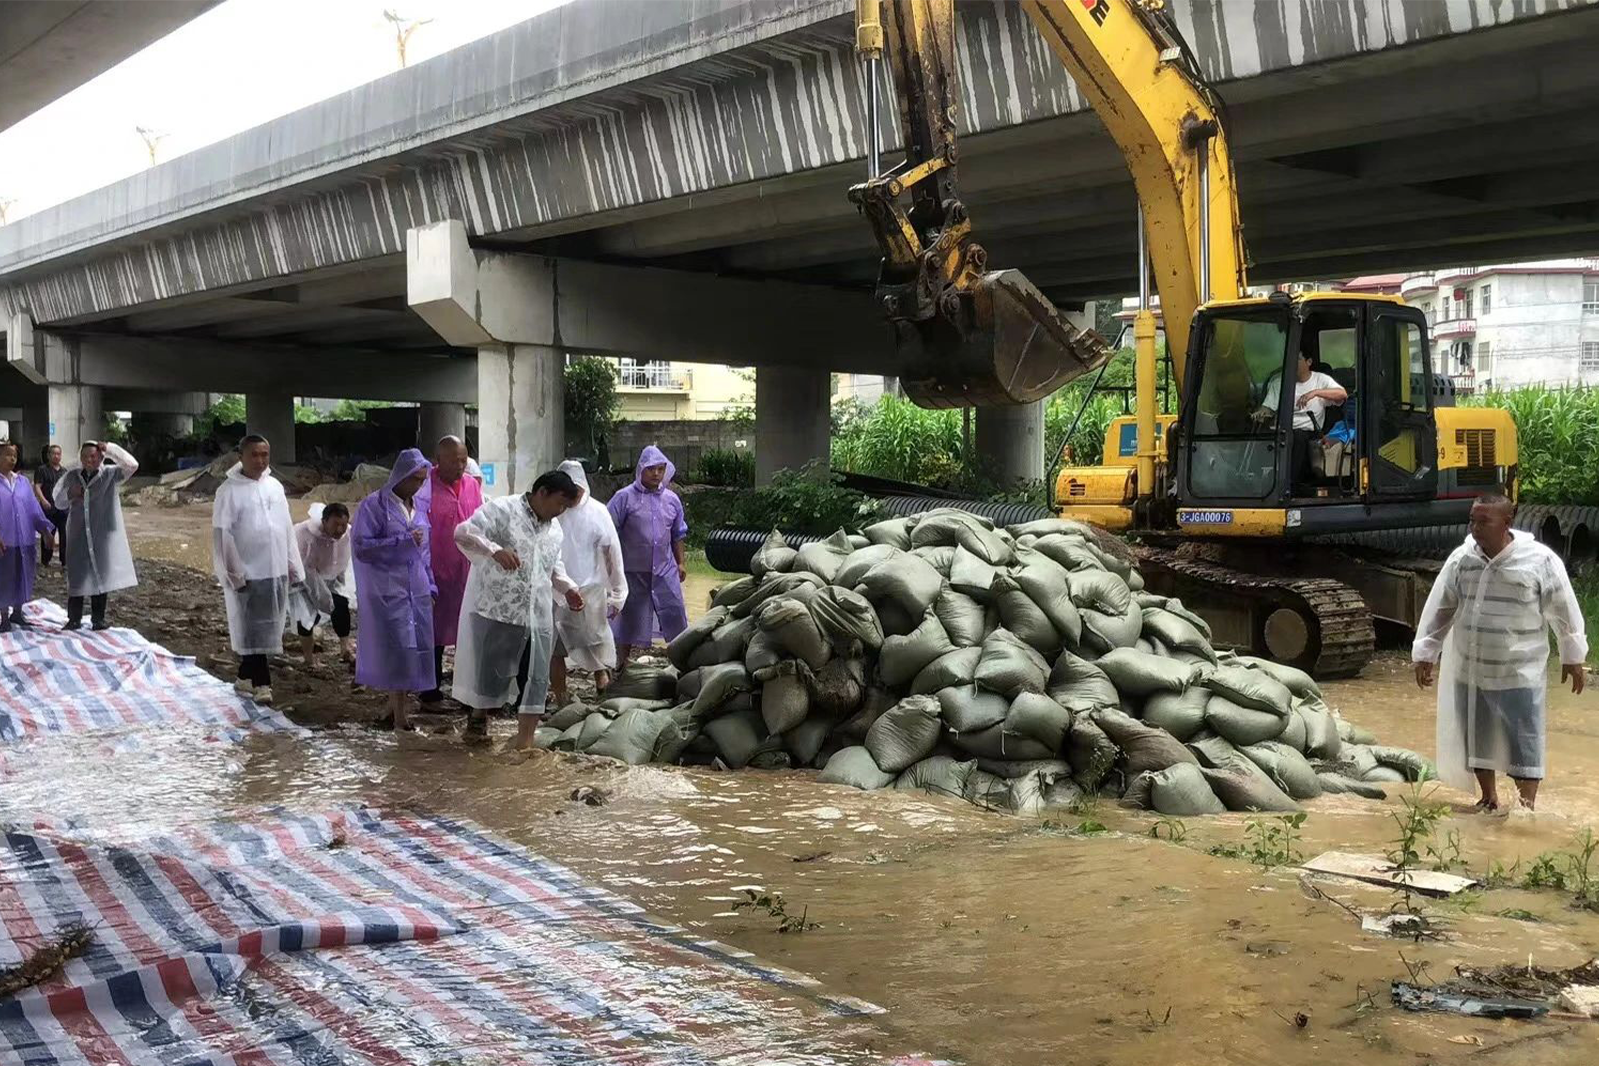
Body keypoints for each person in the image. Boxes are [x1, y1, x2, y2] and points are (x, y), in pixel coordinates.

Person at [1413, 492, 1587, 812]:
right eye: (1472, 520)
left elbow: (1563, 609)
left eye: (1484, 521)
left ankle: (1526, 807)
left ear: (1507, 522)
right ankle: (1489, 797)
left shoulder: (1539, 560)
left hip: (1519, 670)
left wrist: (1572, 655)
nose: (1475, 528)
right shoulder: (1462, 559)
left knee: (1524, 740)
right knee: (1477, 736)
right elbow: (1441, 607)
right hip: (1473, 668)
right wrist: (1426, 652)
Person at [452, 469, 584, 746]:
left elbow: (553, 566)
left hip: (536, 616)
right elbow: (463, 532)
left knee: (535, 678)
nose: (560, 511)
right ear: (542, 492)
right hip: (497, 610)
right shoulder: (502, 510)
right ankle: (478, 720)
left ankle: (524, 742)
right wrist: (493, 550)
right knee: (490, 674)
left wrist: (568, 588)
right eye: (559, 503)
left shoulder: (554, 529)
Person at [211, 435, 304, 704]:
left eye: (265, 454)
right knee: (252, 629)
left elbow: (285, 526)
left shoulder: (274, 486)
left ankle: (244, 677)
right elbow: (222, 535)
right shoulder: (228, 491)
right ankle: (263, 684)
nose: (261, 460)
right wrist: (232, 572)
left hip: (275, 567)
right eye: (255, 455)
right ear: (241, 456)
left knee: (267, 628)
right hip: (248, 570)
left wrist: (292, 562)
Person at [351, 448, 435, 730]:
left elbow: (425, 553)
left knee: (415, 649)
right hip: (389, 590)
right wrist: (402, 541)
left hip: (417, 590)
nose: (419, 485)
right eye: (415, 479)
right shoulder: (374, 506)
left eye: (423, 480)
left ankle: (393, 707)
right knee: (398, 650)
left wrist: (431, 585)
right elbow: (363, 547)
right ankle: (401, 717)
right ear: (401, 476)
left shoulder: (419, 508)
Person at [550, 459, 627, 701]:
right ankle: (561, 696)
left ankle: (602, 683)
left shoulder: (597, 512)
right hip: (554, 589)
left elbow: (612, 554)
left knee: (594, 640)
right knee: (555, 646)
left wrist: (617, 592)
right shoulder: (552, 510)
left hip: (589, 589)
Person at [608, 445, 689, 669]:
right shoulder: (623, 498)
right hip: (633, 572)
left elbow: (678, 533)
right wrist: (611, 566)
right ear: (641, 470)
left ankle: (681, 663)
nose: (656, 474)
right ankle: (621, 664)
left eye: (661, 469)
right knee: (630, 619)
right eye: (651, 469)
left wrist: (680, 563)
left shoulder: (672, 500)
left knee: (675, 616)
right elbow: (608, 531)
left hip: (665, 571)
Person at [54, 439, 139, 630]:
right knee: (77, 575)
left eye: (93, 456)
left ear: (100, 457)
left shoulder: (110, 474)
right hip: (77, 534)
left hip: (102, 534)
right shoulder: (72, 477)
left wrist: (110, 449)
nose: (88, 460)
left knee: (101, 575)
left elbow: (132, 465)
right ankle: (74, 619)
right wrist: (70, 493)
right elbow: (58, 501)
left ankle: (98, 619)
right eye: (84, 456)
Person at [422, 435, 482, 705]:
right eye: (454, 460)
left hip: (467, 571)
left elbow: (482, 522)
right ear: (438, 460)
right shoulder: (424, 486)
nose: (460, 466)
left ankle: (463, 688)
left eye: (463, 459)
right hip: (435, 570)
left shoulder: (471, 485)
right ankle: (429, 687)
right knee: (433, 631)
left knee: (466, 631)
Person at [1254, 352, 1347, 489]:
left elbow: (1342, 394)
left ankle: (1290, 485)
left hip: (1309, 431)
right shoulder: (1278, 382)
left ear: (1308, 362)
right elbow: (1267, 408)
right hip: (1282, 429)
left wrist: (1315, 393)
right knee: (1262, 434)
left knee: (1297, 437)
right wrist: (1259, 413)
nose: (1292, 363)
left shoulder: (1320, 379)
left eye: (1297, 359)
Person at [1, 441, 58, 632]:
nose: (12, 459)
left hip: (24, 539)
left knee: (22, 575)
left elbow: (34, 510)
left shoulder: (23, 482)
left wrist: (46, 532)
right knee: (4, 578)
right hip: (4, 541)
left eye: (14, 456)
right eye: (8, 454)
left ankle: (18, 612)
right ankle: (4, 617)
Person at [290, 502, 354, 666]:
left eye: (343, 525)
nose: (340, 529)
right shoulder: (304, 533)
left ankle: (344, 649)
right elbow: (304, 567)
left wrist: (339, 584)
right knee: (306, 617)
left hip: (331, 576)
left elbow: (344, 559)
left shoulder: (348, 534)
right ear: (324, 521)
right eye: (335, 525)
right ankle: (308, 658)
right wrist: (322, 597)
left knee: (341, 605)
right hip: (303, 579)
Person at [33, 444, 67, 567]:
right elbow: (37, 486)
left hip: (63, 509)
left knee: (65, 535)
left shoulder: (64, 472)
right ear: (49, 455)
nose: (56, 456)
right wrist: (43, 500)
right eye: (54, 453)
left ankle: (64, 561)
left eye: (58, 454)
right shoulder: (42, 470)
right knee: (48, 534)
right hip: (48, 508)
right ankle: (46, 560)